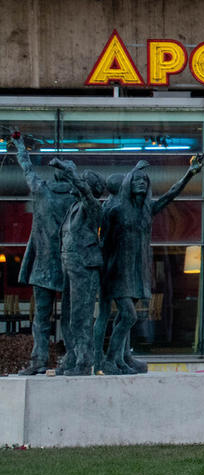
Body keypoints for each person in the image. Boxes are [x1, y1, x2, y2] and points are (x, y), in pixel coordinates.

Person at [99, 155, 203, 375]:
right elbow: (104, 241)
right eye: (136, 180)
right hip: (118, 270)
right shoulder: (115, 209)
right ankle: (109, 360)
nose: (140, 183)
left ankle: (123, 358)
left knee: (124, 317)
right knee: (128, 316)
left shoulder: (146, 210)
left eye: (144, 181)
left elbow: (171, 194)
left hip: (136, 271)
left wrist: (189, 174)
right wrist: (102, 270)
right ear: (128, 183)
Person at [10, 133, 77, 375]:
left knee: (41, 318)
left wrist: (20, 147)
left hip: (44, 266)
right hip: (70, 265)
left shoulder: (41, 190)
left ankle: (39, 361)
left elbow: (26, 168)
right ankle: (73, 358)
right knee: (71, 317)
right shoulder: (77, 199)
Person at [49, 159, 107, 375]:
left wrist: (68, 170)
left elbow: (83, 189)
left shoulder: (92, 206)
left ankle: (84, 361)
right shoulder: (73, 206)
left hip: (84, 266)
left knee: (80, 317)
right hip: (69, 265)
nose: (73, 184)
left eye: (80, 182)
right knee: (67, 315)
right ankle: (73, 356)